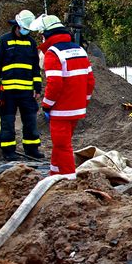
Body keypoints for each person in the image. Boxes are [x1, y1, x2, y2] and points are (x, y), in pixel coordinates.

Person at [32, 14, 95, 179]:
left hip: (61, 111)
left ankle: (69, 179)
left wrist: (46, 105)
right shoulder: (79, 49)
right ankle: (54, 174)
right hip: (77, 109)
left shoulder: (53, 53)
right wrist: (84, 101)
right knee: (59, 145)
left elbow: (55, 84)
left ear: (46, 34)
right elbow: (90, 81)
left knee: (63, 146)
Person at [0, 10, 44, 160]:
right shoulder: (4, 40)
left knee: (30, 122)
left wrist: (37, 88)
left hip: (26, 92)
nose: (26, 31)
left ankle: (32, 149)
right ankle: (8, 151)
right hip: (7, 92)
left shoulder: (31, 43)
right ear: (18, 25)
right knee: (7, 122)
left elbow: (35, 68)